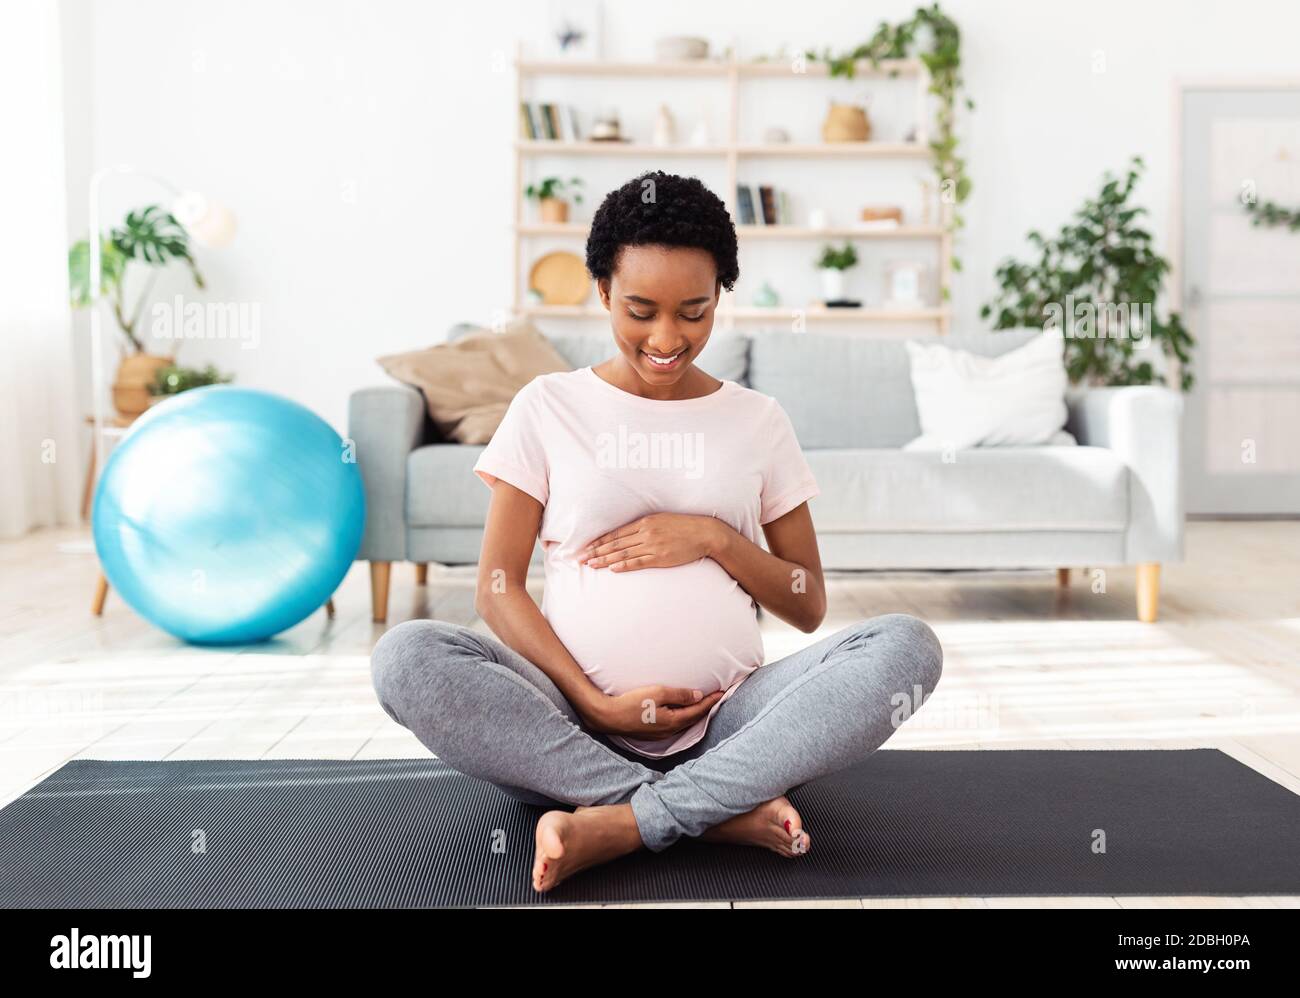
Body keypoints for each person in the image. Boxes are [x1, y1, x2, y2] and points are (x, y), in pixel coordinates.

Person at [371, 171, 944, 892]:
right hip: (569, 727)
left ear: (719, 300)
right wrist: (589, 698)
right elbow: (497, 589)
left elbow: (807, 603)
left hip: (735, 722)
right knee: (407, 655)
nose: (667, 338)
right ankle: (709, 811)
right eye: (640, 310)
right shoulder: (548, 405)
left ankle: (621, 821)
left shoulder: (758, 420)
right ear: (603, 292)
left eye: (694, 312)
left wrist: (715, 538)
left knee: (905, 646)